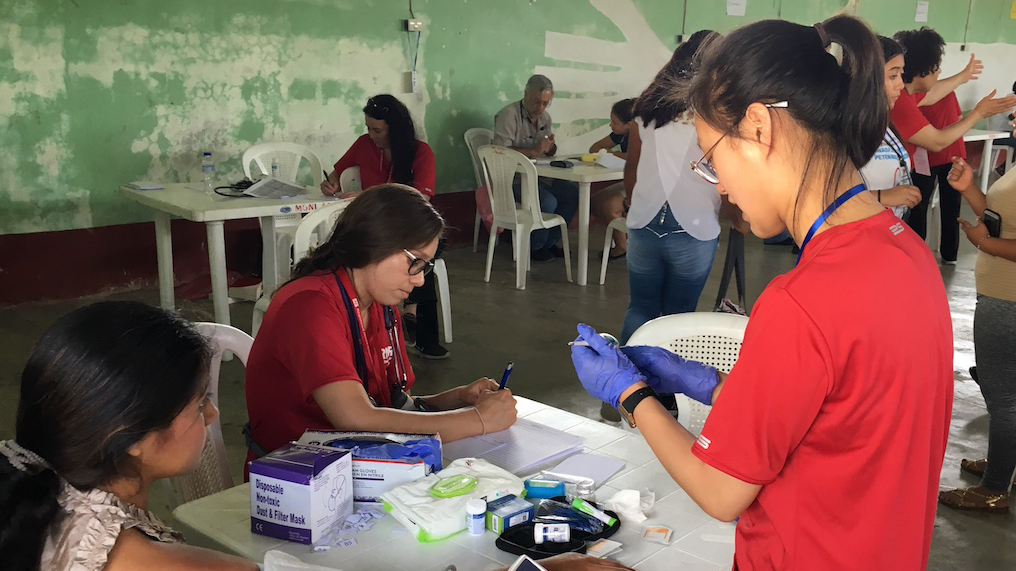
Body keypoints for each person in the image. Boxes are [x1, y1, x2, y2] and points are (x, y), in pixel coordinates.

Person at [572, 16, 954, 570]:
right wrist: (712, 385)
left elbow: (719, 491)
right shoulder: (906, 253)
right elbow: (839, 424)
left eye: (711, 158)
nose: (720, 184)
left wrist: (631, 394)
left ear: (758, 127)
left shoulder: (803, 298)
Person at [245, 185, 518, 465]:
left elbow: (393, 408)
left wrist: (458, 398)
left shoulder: (380, 308)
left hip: (356, 464)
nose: (420, 279)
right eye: (416, 262)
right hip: (294, 480)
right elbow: (356, 418)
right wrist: (477, 420)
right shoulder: (311, 306)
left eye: (427, 266)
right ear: (374, 243)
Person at [0, 301, 257, 571]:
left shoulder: (23, 481)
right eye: (201, 404)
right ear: (132, 436)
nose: (213, 414)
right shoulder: (139, 561)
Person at [619, 31, 732, 344]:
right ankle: (665, 390)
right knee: (678, 316)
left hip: (644, 221)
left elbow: (632, 166)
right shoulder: (716, 112)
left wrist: (631, 204)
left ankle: (626, 382)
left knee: (640, 308)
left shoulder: (647, 106)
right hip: (693, 227)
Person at [321, 94, 448, 358]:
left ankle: (423, 333)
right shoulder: (363, 145)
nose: (372, 135)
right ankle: (380, 324)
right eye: (368, 128)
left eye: (377, 129)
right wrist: (331, 183)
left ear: (395, 128)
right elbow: (336, 172)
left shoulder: (421, 153)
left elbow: (420, 200)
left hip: (412, 228)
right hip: (377, 228)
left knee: (420, 258)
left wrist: (368, 194)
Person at [890, 27, 1016, 263]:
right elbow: (937, 141)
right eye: (936, 68)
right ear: (924, 70)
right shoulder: (900, 103)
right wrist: (978, 112)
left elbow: (934, 92)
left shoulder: (908, 96)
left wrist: (963, 76)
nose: (939, 73)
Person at [938, 151, 1016, 513]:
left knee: (1004, 401)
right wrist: (969, 190)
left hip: (1009, 299)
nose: (1014, 117)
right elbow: (1005, 221)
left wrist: (982, 243)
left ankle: (995, 488)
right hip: (1000, 294)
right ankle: (1006, 463)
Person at [494, 74, 580, 261]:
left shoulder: (545, 118)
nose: (540, 108)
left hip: (538, 177)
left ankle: (549, 242)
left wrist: (550, 147)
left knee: (571, 193)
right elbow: (501, 154)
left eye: (545, 103)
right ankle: (533, 246)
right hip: (511, 179)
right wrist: (534, 150)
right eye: (536, 102)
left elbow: (547, 150)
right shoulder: (509, 115)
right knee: (547, 201)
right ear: (525, 94)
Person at [858, 36, 922, 219]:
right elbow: (827, 199)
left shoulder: (884, 125)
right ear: (868, 78)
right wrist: (882, 196)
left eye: (901, 74)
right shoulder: (842, 131)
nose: (901, 85)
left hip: (886, 230)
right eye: (893, 76)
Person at [590, 98, 635, 260]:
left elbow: (633, 157)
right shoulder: (619, 135)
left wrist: (613, 154)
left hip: (641, 185)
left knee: (608, 206)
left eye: (615, 123)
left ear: (629, 124)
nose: (611, 125)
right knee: (594, 202)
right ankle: (626, 237)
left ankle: (622, 246)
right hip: (627, 181)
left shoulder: (638, 136)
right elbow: (594, 148)